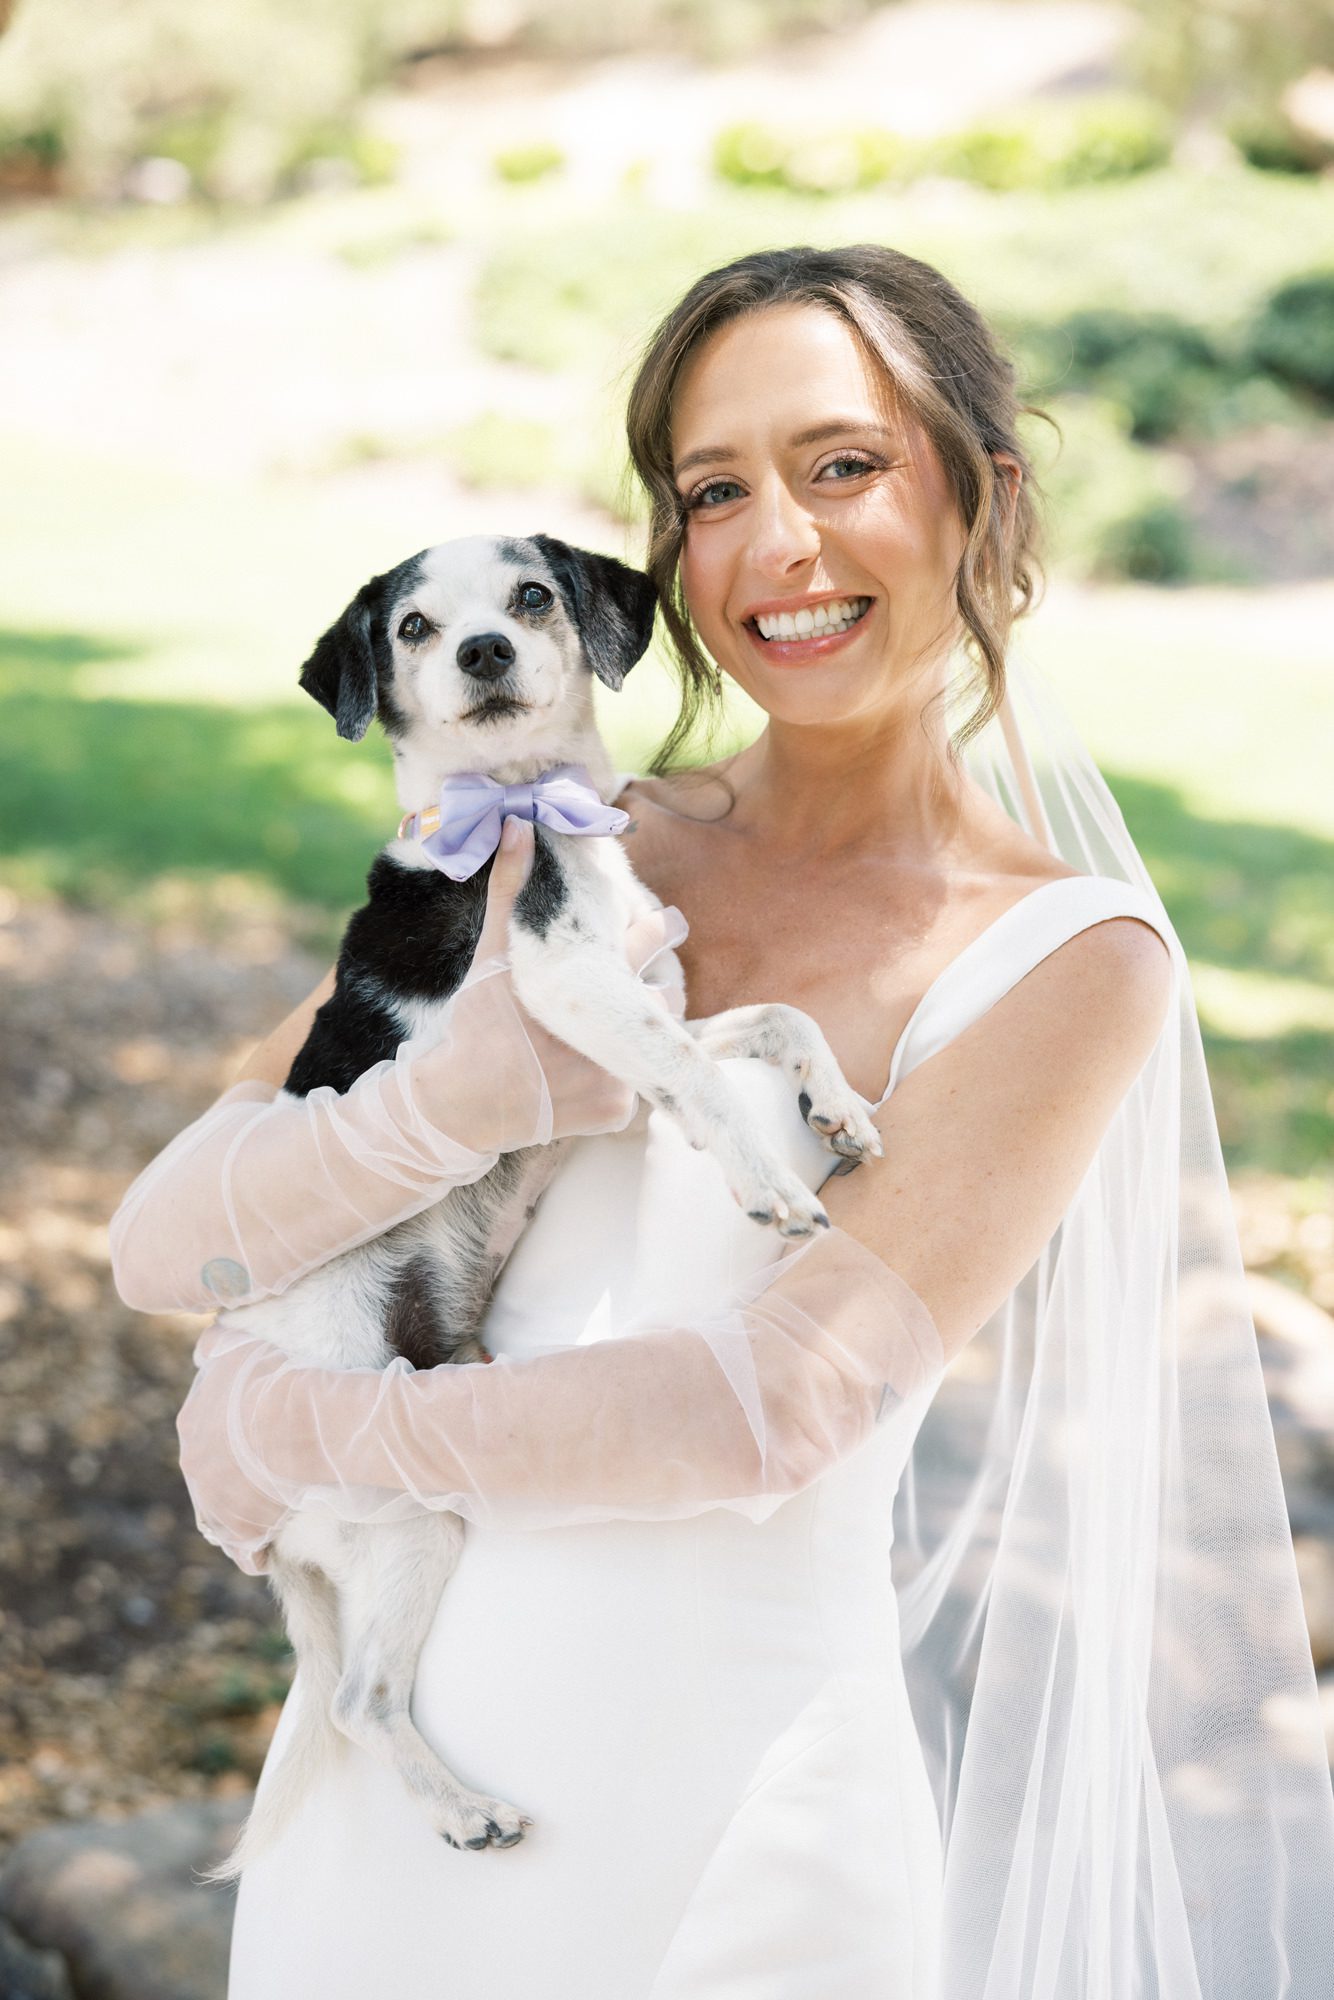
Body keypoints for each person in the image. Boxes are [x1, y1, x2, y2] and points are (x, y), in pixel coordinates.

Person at [111, 244, 1334, 1997]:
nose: (778, 544)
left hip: (713, 1816)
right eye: (712, 491)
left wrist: (319, 1427)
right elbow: (176, 1231)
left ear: (984, 502)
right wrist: (419, 1128)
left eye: (842, 465)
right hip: (389, 1795)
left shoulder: (1065, 961)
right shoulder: (575, 841)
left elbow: (767, 1409)